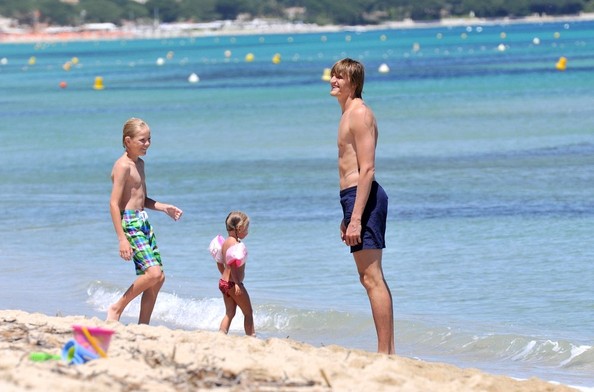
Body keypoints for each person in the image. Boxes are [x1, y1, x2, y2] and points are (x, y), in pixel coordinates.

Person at [329, 58, 395, 354]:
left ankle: (386, 353)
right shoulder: (346, 114)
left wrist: (356, 217)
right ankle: (387, 351)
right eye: (332, 75)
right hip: (354, 199)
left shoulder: (360, 114)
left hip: (364, 198)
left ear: (353, 83)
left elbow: (367, 169)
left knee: (372, 277)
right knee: (367, 277)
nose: (333, 81)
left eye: (339, 77)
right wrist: (348, 216)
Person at [107, 117, 183, 324]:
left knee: (158, 278)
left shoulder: (140, 164)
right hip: (130, 223)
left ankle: (143, 325)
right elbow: (114, 204)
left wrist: (163, 207)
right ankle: (116, 308)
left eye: (149, 139)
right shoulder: (122, 166)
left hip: (143, 221)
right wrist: (121, 239)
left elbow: (142, 199)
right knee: (153, 273)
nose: (147, 144)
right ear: (127, 140)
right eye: (142, 140)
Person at [209, 211, 255, 336]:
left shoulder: (225, 243)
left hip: (224, 282)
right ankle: (252, 337)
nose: (247, 231)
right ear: (239, 228)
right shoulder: (235, 244)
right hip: (233, 283)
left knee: (230, 313)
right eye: (246, 228)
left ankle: (221, 335)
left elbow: (220, 262)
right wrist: (237, 284)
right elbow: (233, 266)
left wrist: (225, 277)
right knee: (248, 313)